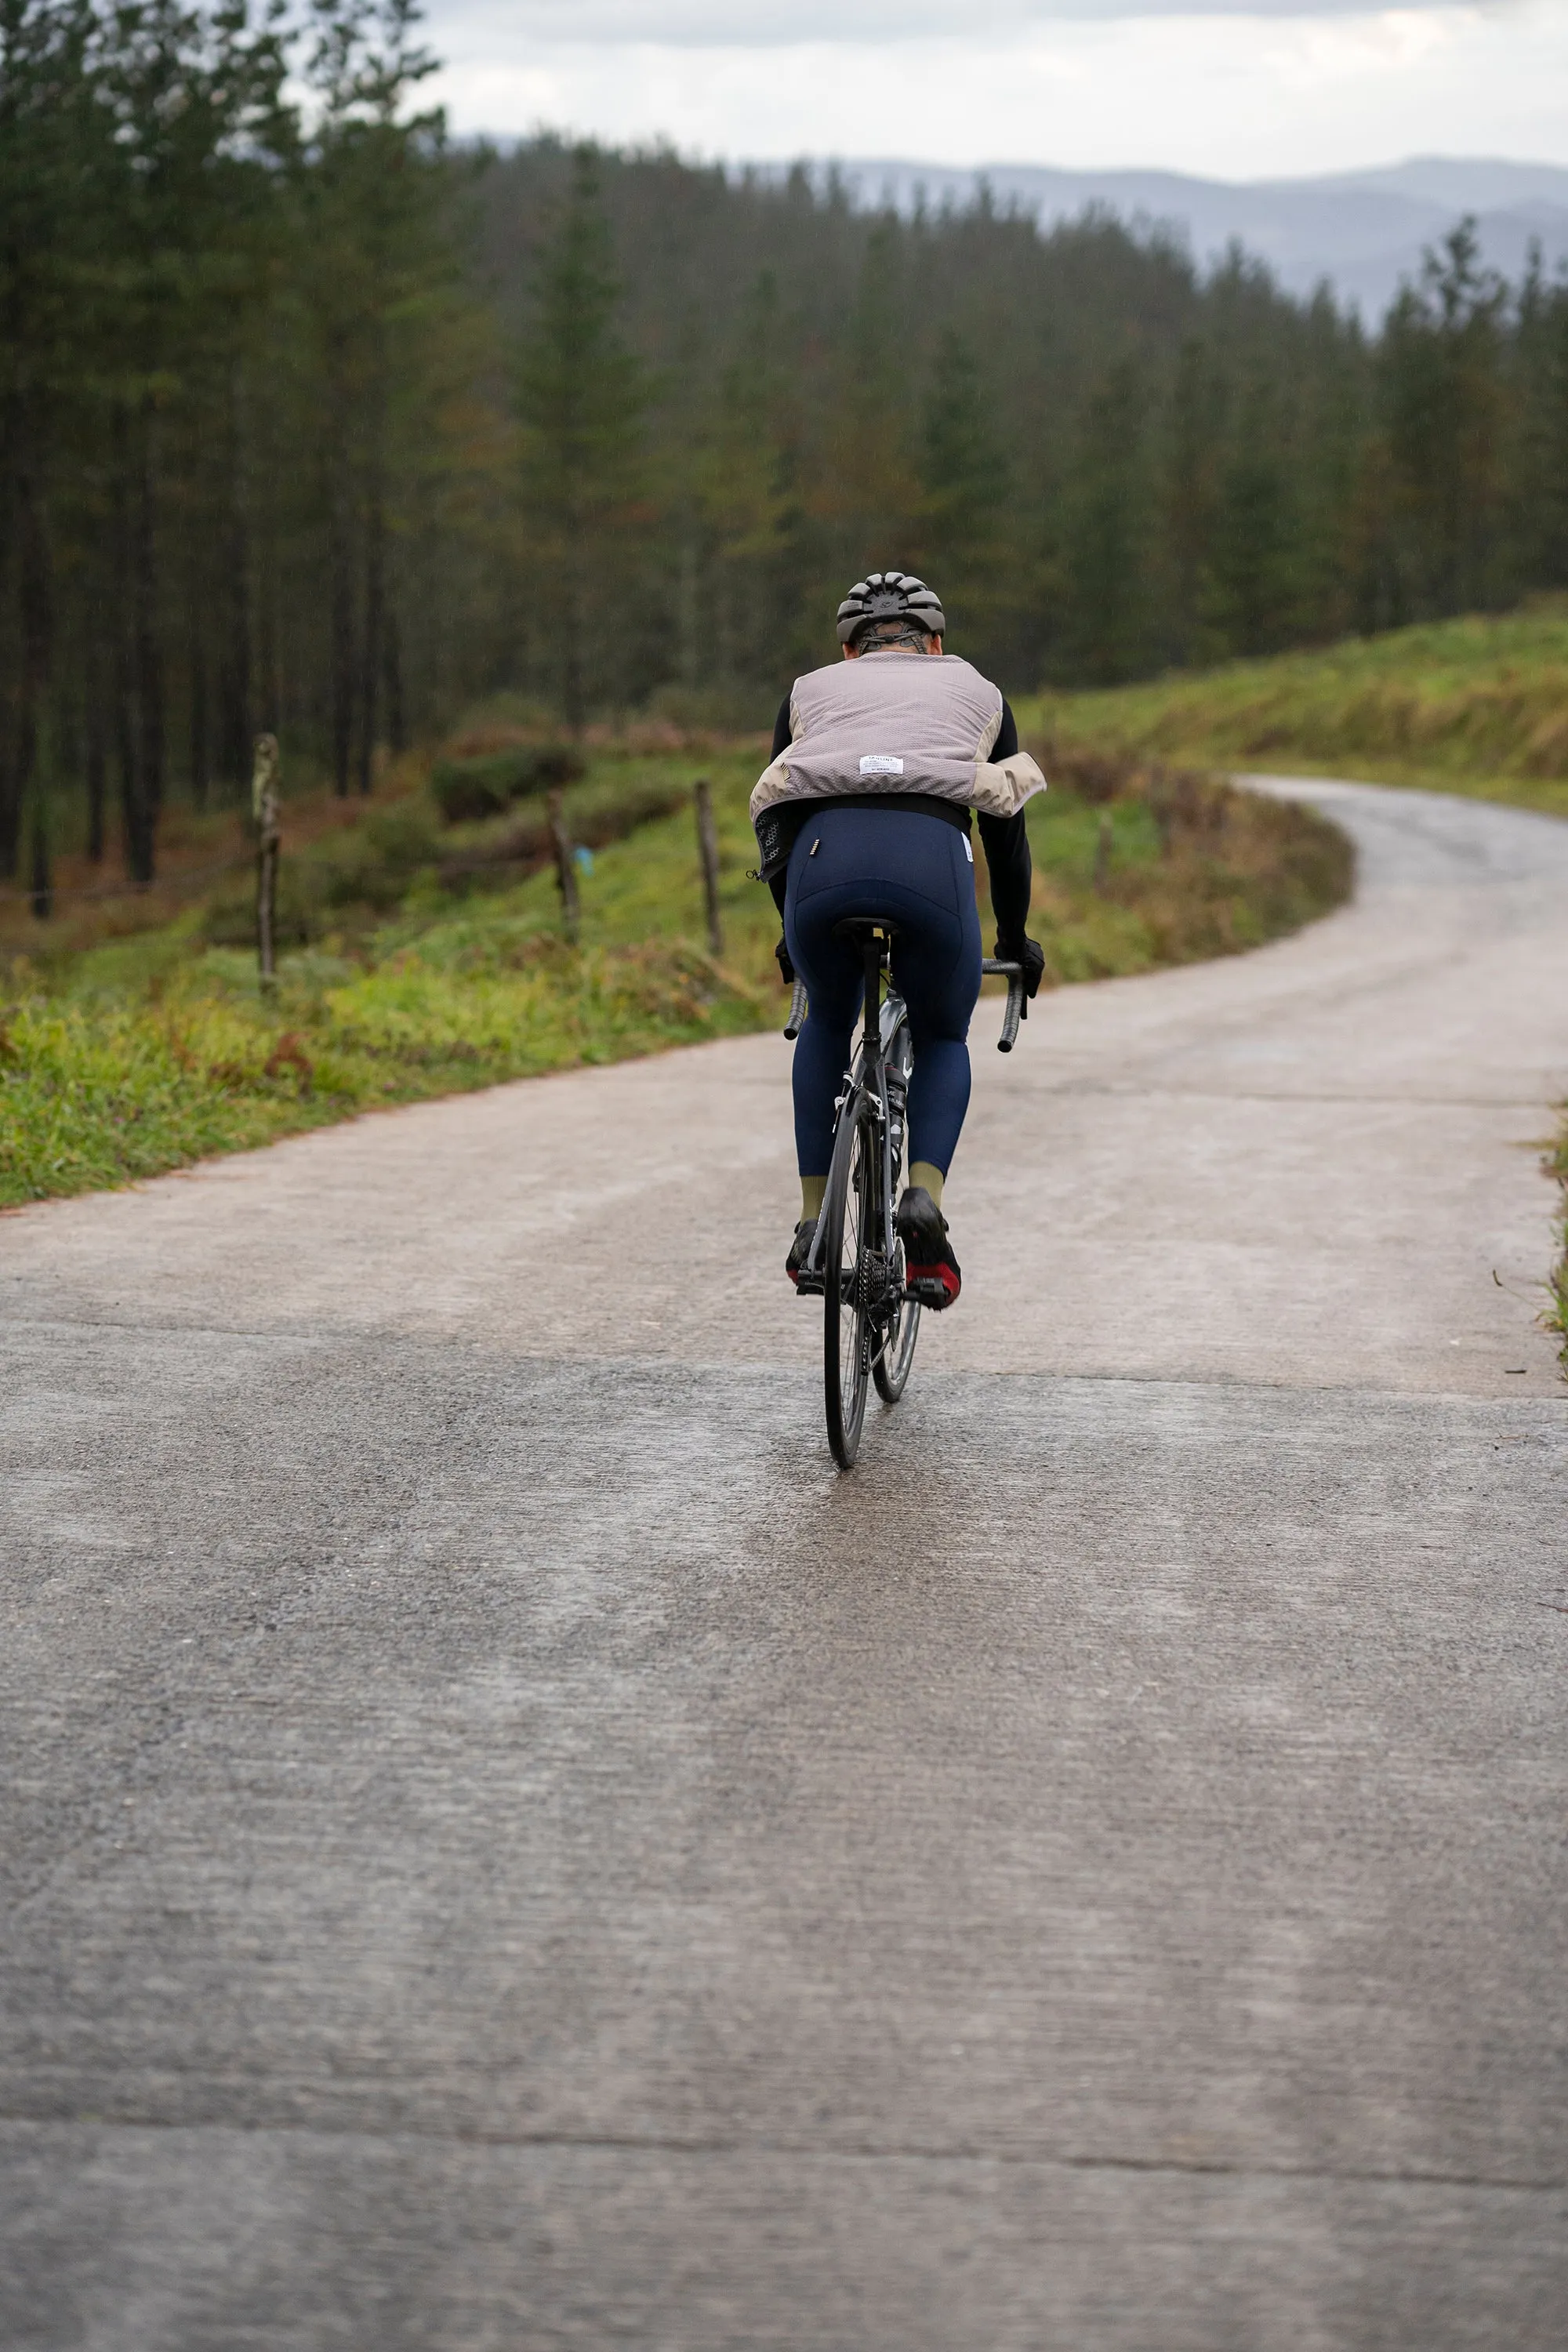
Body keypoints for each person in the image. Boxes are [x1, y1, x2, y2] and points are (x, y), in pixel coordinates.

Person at [752, 571, 1047, 1308]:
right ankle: (922, 1199)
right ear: (935, 644)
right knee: (945, 1035)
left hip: (821, 870)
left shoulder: (806, 692)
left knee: (828, 1018)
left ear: (849, 653)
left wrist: (794, 933)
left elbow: (779, 822)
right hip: (930, 866)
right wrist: (1015, 937)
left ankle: (814, 1221)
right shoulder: (980, 691)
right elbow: (1006, 837)